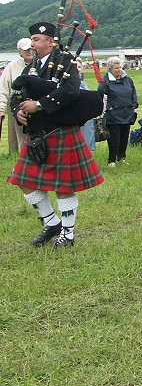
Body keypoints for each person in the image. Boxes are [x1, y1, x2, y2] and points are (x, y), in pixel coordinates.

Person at [7, 22, 104, 248]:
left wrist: (39, 105)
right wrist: (17, 112)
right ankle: (51, 222)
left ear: (50, 41)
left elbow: (70, 91)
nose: (32, 44)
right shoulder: (30, 67)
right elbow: (16, 95)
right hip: (37, 134)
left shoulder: (65, 62)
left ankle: (68, 234)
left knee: (63, 186)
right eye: (31, 39)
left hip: (61, 132)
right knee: (22, 180)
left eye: (37, 39)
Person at [97, 56, 138, 166]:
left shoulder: (127, 79)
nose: (119, 70)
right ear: (110, 69)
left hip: (127, 112)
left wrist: (134, 103)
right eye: (116, 68)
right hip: (113, 115)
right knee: (114, 138)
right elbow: (101, 96)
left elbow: (133, 91)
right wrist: (109, 106)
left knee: (124, 136)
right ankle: (112, 160)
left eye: (120, 67)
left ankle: (122, 157)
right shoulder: (105, 81)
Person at [0, 38, 35, 153]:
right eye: (26, 50)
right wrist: (1, 109)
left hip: (35, 105)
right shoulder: (11, 67)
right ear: (20, 52)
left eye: (31, 49)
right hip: (17, 105)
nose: (30, 52)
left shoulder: (40, 63)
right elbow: (3, 89)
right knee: (18, 140)